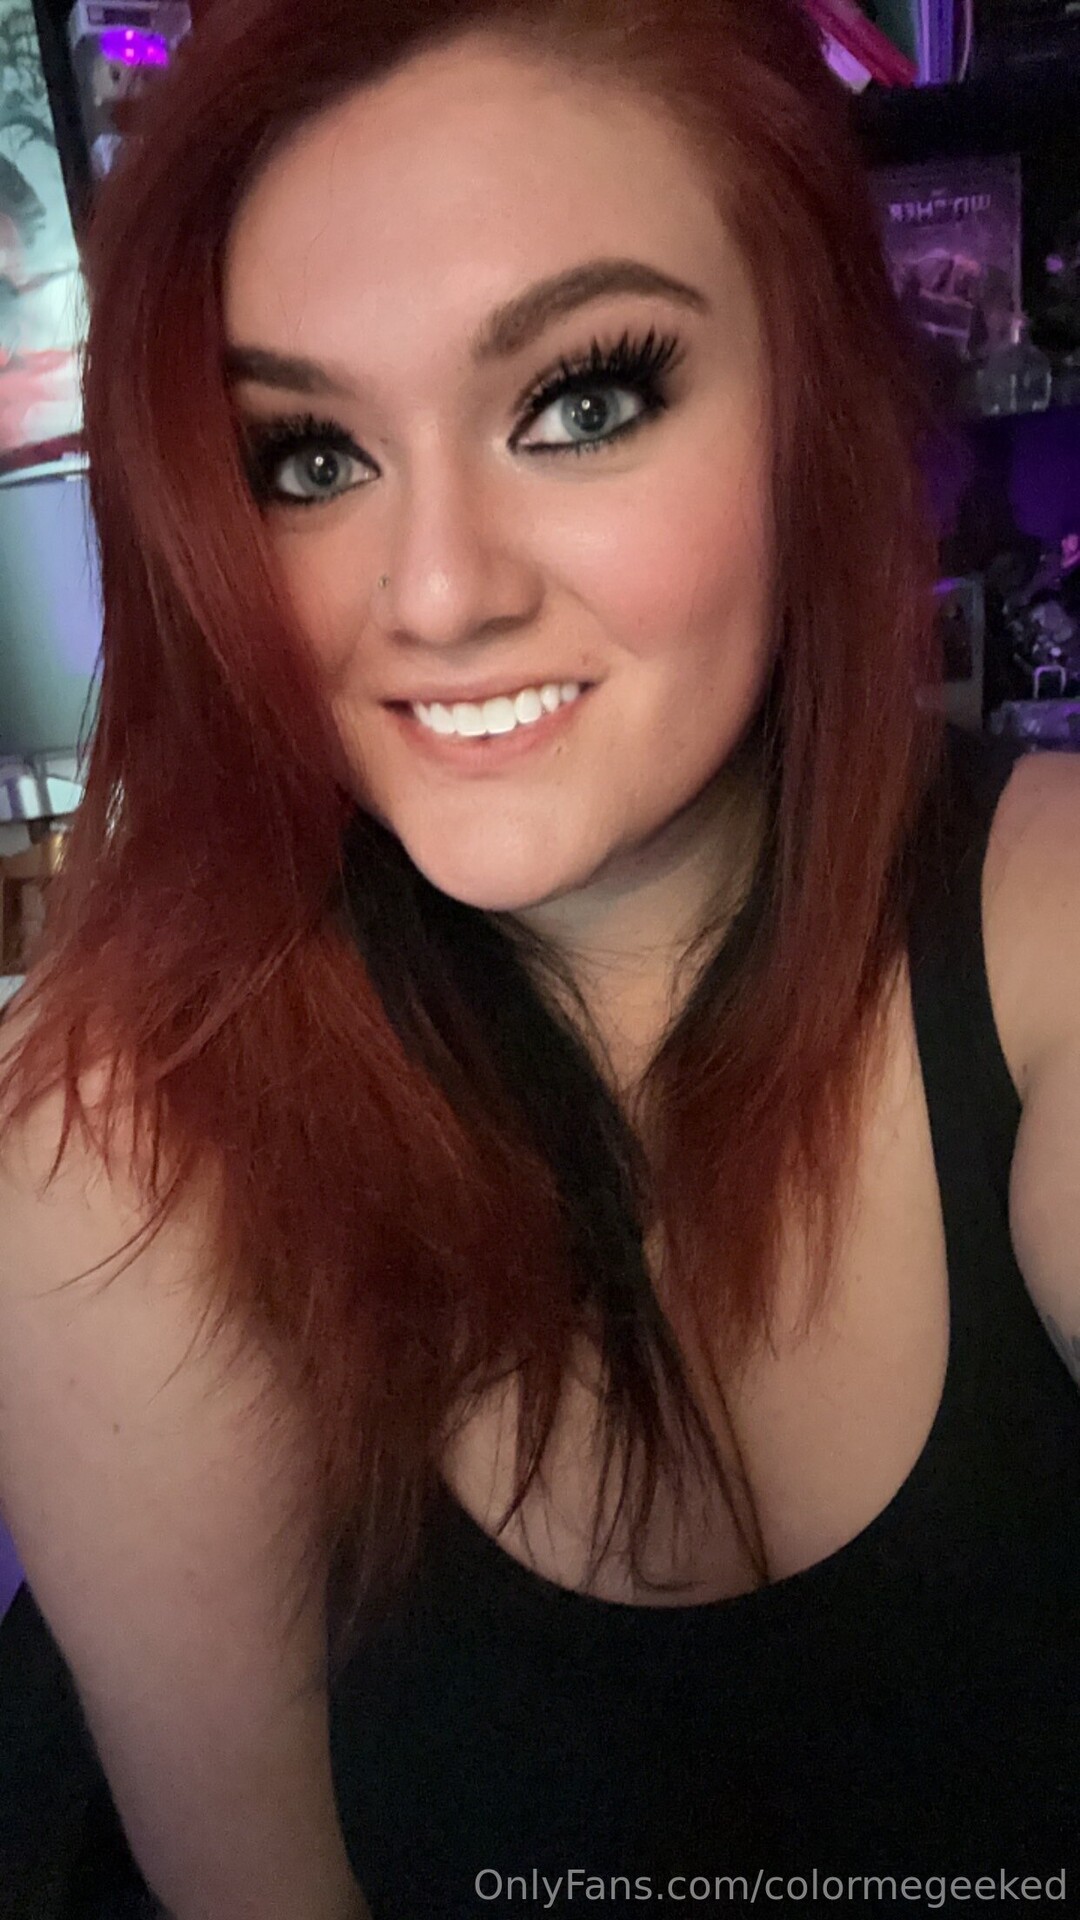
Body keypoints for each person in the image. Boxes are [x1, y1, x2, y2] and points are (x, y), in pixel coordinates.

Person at [0, 1, 1077, 1915]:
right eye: (309, 456)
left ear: (813, 393)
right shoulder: (118, 1164)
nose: (438, 594)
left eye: (583, 401)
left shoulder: (1045, 936)